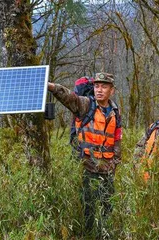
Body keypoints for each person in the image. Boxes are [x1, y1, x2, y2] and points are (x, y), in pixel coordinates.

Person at [48, 72, 122, 238]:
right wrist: (51, 87)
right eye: (96, 86)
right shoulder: (85, 105)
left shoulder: (115, 111)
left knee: (107, 207)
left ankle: (104, 235)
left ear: (112, 90)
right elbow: (69, 97)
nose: (99, 90)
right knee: (88, 208)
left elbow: (117, 140)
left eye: (104, 86)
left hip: (107, 170)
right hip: (88, 168)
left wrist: (115, 164)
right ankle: (88, 235)